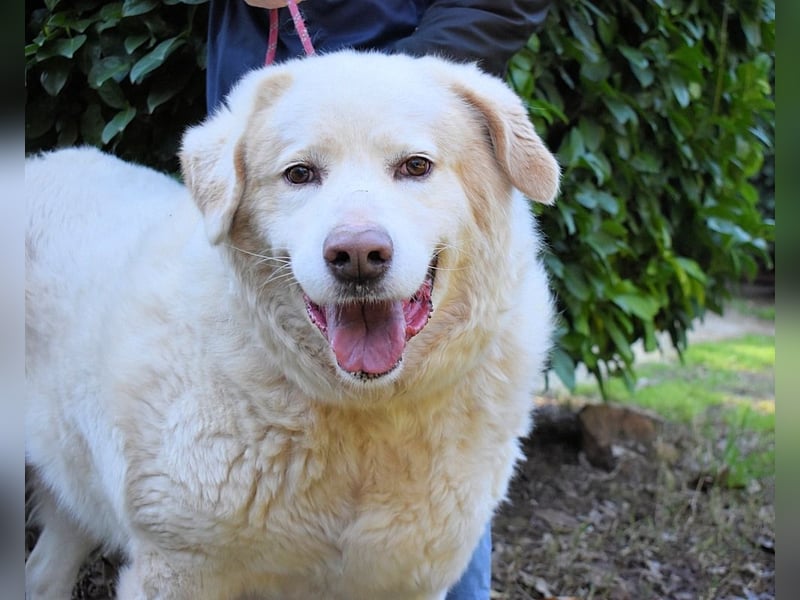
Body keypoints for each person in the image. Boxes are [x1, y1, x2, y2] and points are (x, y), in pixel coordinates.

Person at [205, 1, 552, 598]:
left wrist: (397, 85)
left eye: (413, 167)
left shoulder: (428, 101)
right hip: (258, 88)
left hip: (409, 72)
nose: (358, 246)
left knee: (442, 473)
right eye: (303, 174)